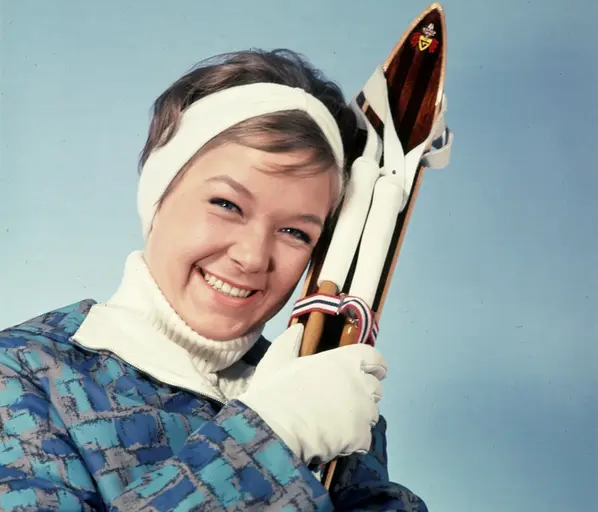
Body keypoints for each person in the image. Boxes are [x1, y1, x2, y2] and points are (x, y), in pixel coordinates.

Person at [0, 49, 428, 511]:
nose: (252, 257)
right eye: (227, 205)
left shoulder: (320, 390)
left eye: (295, 232)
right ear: (158, 195)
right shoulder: (25, 375)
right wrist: (273, 436)